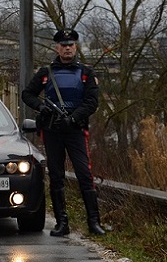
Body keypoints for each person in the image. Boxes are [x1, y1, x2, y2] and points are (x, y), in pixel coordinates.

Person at [21, 29, 105, 236]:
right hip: (52, 130)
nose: (67, 48)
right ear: (57, 47)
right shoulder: (45, 72)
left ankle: (94, 223)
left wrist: (74, 117)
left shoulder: (86, 73)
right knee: (56, 176)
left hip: (75, 130)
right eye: (63, 45)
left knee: (85, 175)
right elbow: (27, 94)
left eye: (71, 45)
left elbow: (92, 102)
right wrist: (41, 108)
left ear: (75, 47)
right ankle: (62, 223)